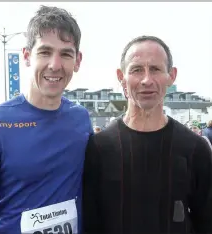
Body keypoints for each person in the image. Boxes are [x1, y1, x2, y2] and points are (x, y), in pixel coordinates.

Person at [0, 5, 93, 234]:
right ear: (27, 56)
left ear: (77, 61)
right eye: (45, 52)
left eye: (66, 54)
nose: (55, 65)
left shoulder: (81, 119)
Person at [83, 36, 212, 234]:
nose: (146, 80)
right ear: (121, 77)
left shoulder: (195, 149)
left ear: (171, 75)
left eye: (155, 69)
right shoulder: (99, 148)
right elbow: (91, 221)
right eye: (136, 70)